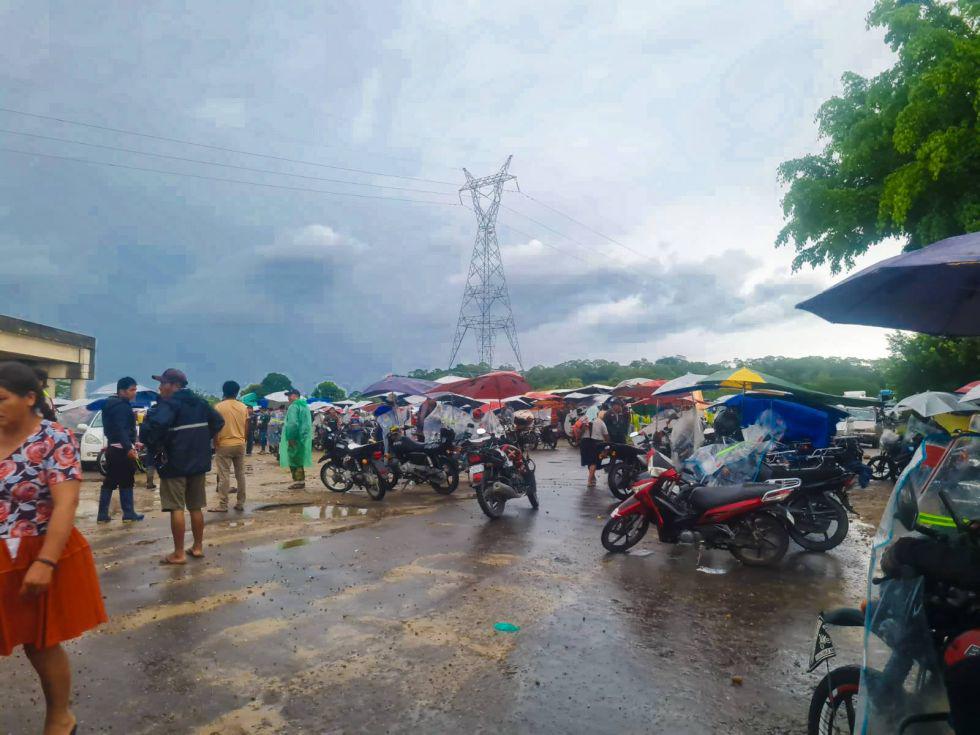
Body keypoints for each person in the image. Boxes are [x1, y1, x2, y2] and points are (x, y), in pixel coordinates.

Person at [0, 361, 107, 735]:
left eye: (2, 399)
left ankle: (60, 717)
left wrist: (46, 561)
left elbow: (66, 504)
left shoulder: (55, 439)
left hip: (34, 551)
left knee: (38, 643)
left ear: (30, 398)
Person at [140, 368, 223, 565]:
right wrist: (201, 440)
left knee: (176, 507)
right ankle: (197, 547)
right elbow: (218, 422)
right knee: (196, 507)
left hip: (174, 463)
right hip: (198, 463)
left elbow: (152, 432)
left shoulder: (169, 405)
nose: (159, 387)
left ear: (173, 385)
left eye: (162, 383)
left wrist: (156, 443)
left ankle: (178, 553)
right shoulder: (200, 403)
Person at [97, 376, 144, 523]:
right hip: (121, 450)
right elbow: (120, 429)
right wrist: (128, 447)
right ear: (122, 391)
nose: (134, 392)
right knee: (126, 481)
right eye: (132, 390)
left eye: (135, 389)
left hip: (113, 448)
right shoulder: (122, 407)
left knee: (111, 481)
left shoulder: (110, 405)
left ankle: (103, 514)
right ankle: (128, 513)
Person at [209, 380, 248, 513]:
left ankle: (223, 505)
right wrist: (243, 438)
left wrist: (215, 441)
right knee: (240, 474)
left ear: (224, 391)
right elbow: (246, 426)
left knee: (224, 475)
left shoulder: (219, 407)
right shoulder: (243, 407)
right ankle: (240, 503)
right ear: (237, 392)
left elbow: (215, 427)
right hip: (240, 443)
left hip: (224, 444)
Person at [280, 388, 312, 489]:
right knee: (299, 458)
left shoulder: (294, 406)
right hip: (302, 437)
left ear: (296, 396)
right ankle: (301, 480)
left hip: (295, 437)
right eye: (288, 396)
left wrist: (290, 437)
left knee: (294, 459)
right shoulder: (304, 406)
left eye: (290, 395)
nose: (289, 398)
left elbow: (292, 424)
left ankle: (299, 481)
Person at [580, 409, 609, 488]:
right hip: (596, 443)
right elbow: (606, 435)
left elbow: (579, 431)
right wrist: (607, 445)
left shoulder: (584, 420)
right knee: (594, 462)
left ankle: (593, 478)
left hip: (584, 442)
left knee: (589, 462)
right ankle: (590, 480)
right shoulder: (601, 422)